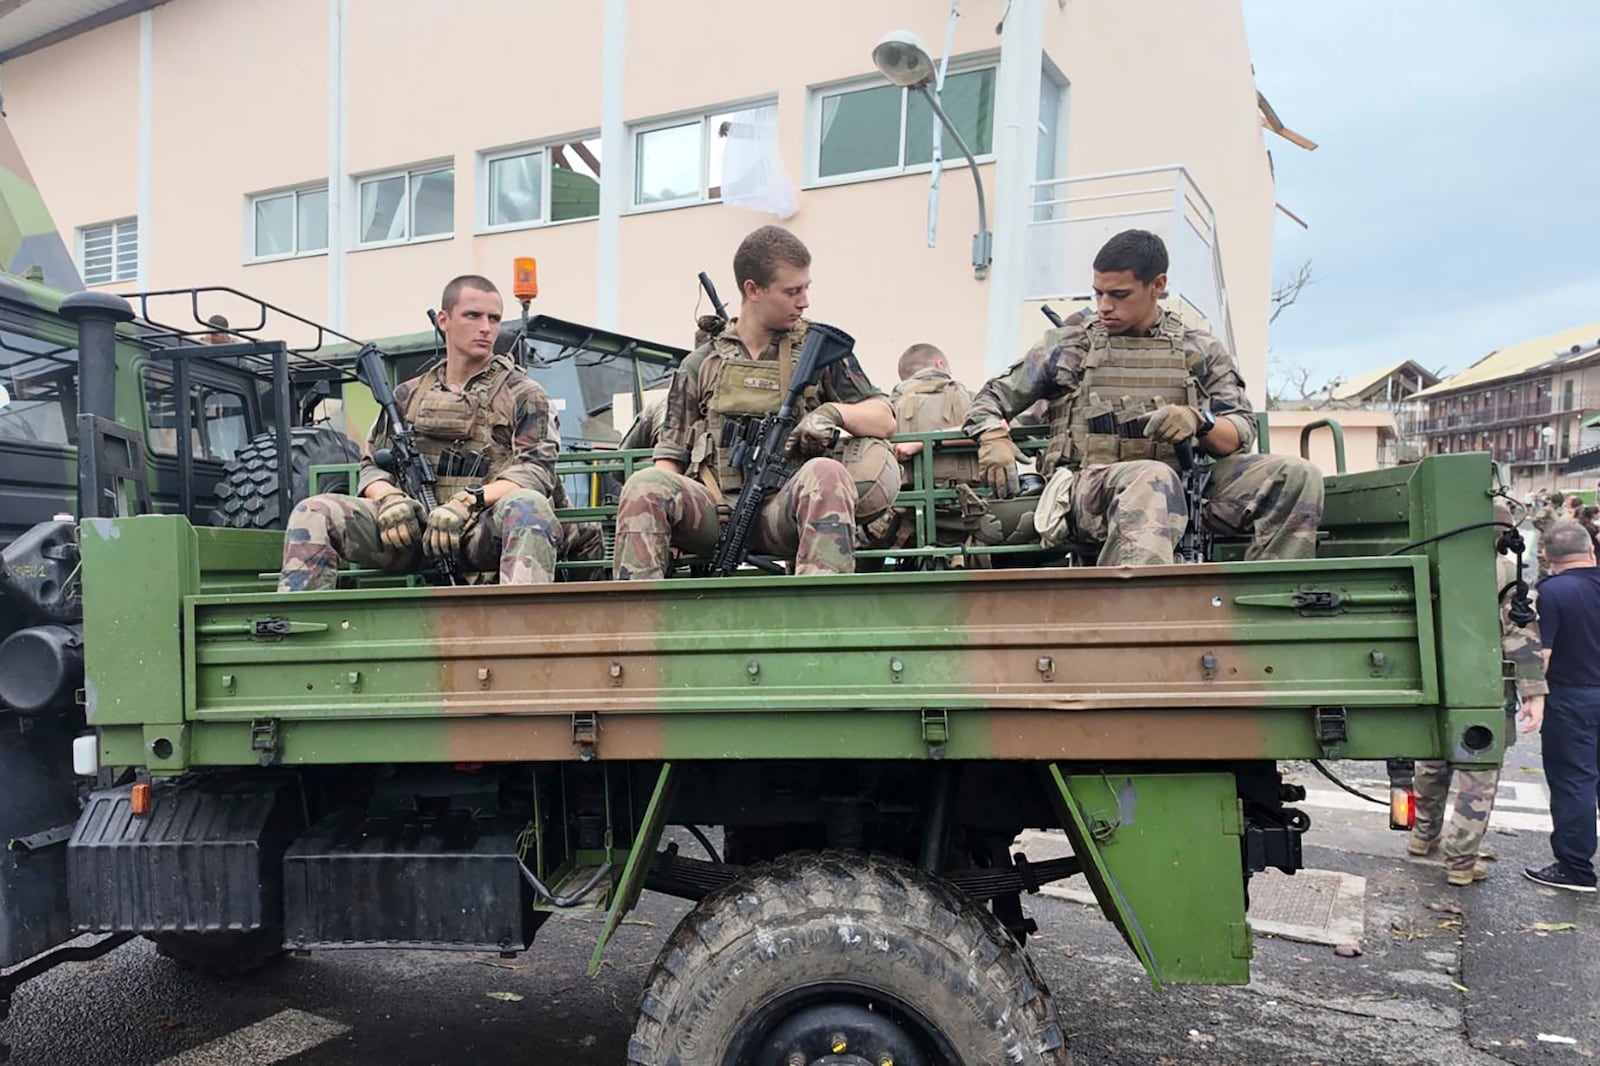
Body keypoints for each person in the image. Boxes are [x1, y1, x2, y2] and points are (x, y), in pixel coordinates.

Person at [962, 229, 1324, 565]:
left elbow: (1240, 430)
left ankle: (1269, 604)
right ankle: (1138, 614)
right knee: (1152, 478)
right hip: (1087, 491)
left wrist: (1200, 421)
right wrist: (992, 434)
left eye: (1119, 295)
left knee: (1296, 475)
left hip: (1187, 485)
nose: (1104, 306)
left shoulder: (1197, 349)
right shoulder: (1070, 345)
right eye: (1098, 293)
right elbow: (991, 397)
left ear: (1158, 285)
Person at [612, 226, 897, 579]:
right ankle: (639, 621)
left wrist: (832, 412)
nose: (804, 301)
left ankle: (821, 619)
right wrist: (666, 528)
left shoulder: (817, 350)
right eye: (792, 291)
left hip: (785, 508)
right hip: (716, 512)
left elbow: (884, 418)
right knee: (645, 483)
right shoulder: (701, 364)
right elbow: (669, 459)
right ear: (753, 290)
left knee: (828, 472)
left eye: (806, 288)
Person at [278, 274, 564, 591]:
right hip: (408, 529)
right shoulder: (406, 396)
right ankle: (299, 630)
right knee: (313, 512)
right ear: (444, 319)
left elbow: (535, 471)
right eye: (473, 315)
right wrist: (390, 500)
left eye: (494, 318)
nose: (486, 327)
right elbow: (372, 465)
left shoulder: (524, 393)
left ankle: (519, 631)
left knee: (529, 506)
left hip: (478, 530)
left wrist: (468, 502)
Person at [1409, 500, 1547, 885]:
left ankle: (1423, 836)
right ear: (1502, 536)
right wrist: (1534, 690)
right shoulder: (1505, 571)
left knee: (1431, 762)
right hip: (1483, 683)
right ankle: (1461, 863)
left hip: (1431, 680)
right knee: (1478, 775)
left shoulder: (1429, 561)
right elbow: (1519, 632)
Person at [1524, 522, 1600, 892]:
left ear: (1547, 557)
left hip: (1573, 698)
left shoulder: (1552, 592)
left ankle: (1575, 867)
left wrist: (1532, 696)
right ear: (1590, 551)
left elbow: (1545, 654)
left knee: (1575, 780)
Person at [889, 343, 973, 467]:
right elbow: (993, 427)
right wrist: (933, 439)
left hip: (912, 486)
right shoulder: (974, 398)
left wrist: (922, 443)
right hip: (972, 485)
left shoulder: (890, 405)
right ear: (940, 364)